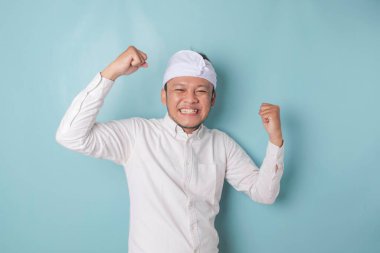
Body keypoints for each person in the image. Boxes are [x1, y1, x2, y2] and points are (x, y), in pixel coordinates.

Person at [55, 46, 285, 253]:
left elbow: (264, 193)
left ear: (213, 99)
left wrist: (275, 140)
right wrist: (112, 72)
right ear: (164, 96)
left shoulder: (221, 144)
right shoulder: (137, 135)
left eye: (201, 91)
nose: (190, 99)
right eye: (180, 90)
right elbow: (70, 135)